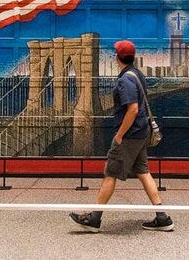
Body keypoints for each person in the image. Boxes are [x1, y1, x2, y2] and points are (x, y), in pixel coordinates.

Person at [69, 40, 174, 232]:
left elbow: (132, 109)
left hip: (130, 135)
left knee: (110, 173)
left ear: (117, 58)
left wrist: (119, 135)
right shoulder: (138, 74)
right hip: (142, 132)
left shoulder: (125, 79)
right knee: (143, 172)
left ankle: (94, 219)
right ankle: (163, 218)